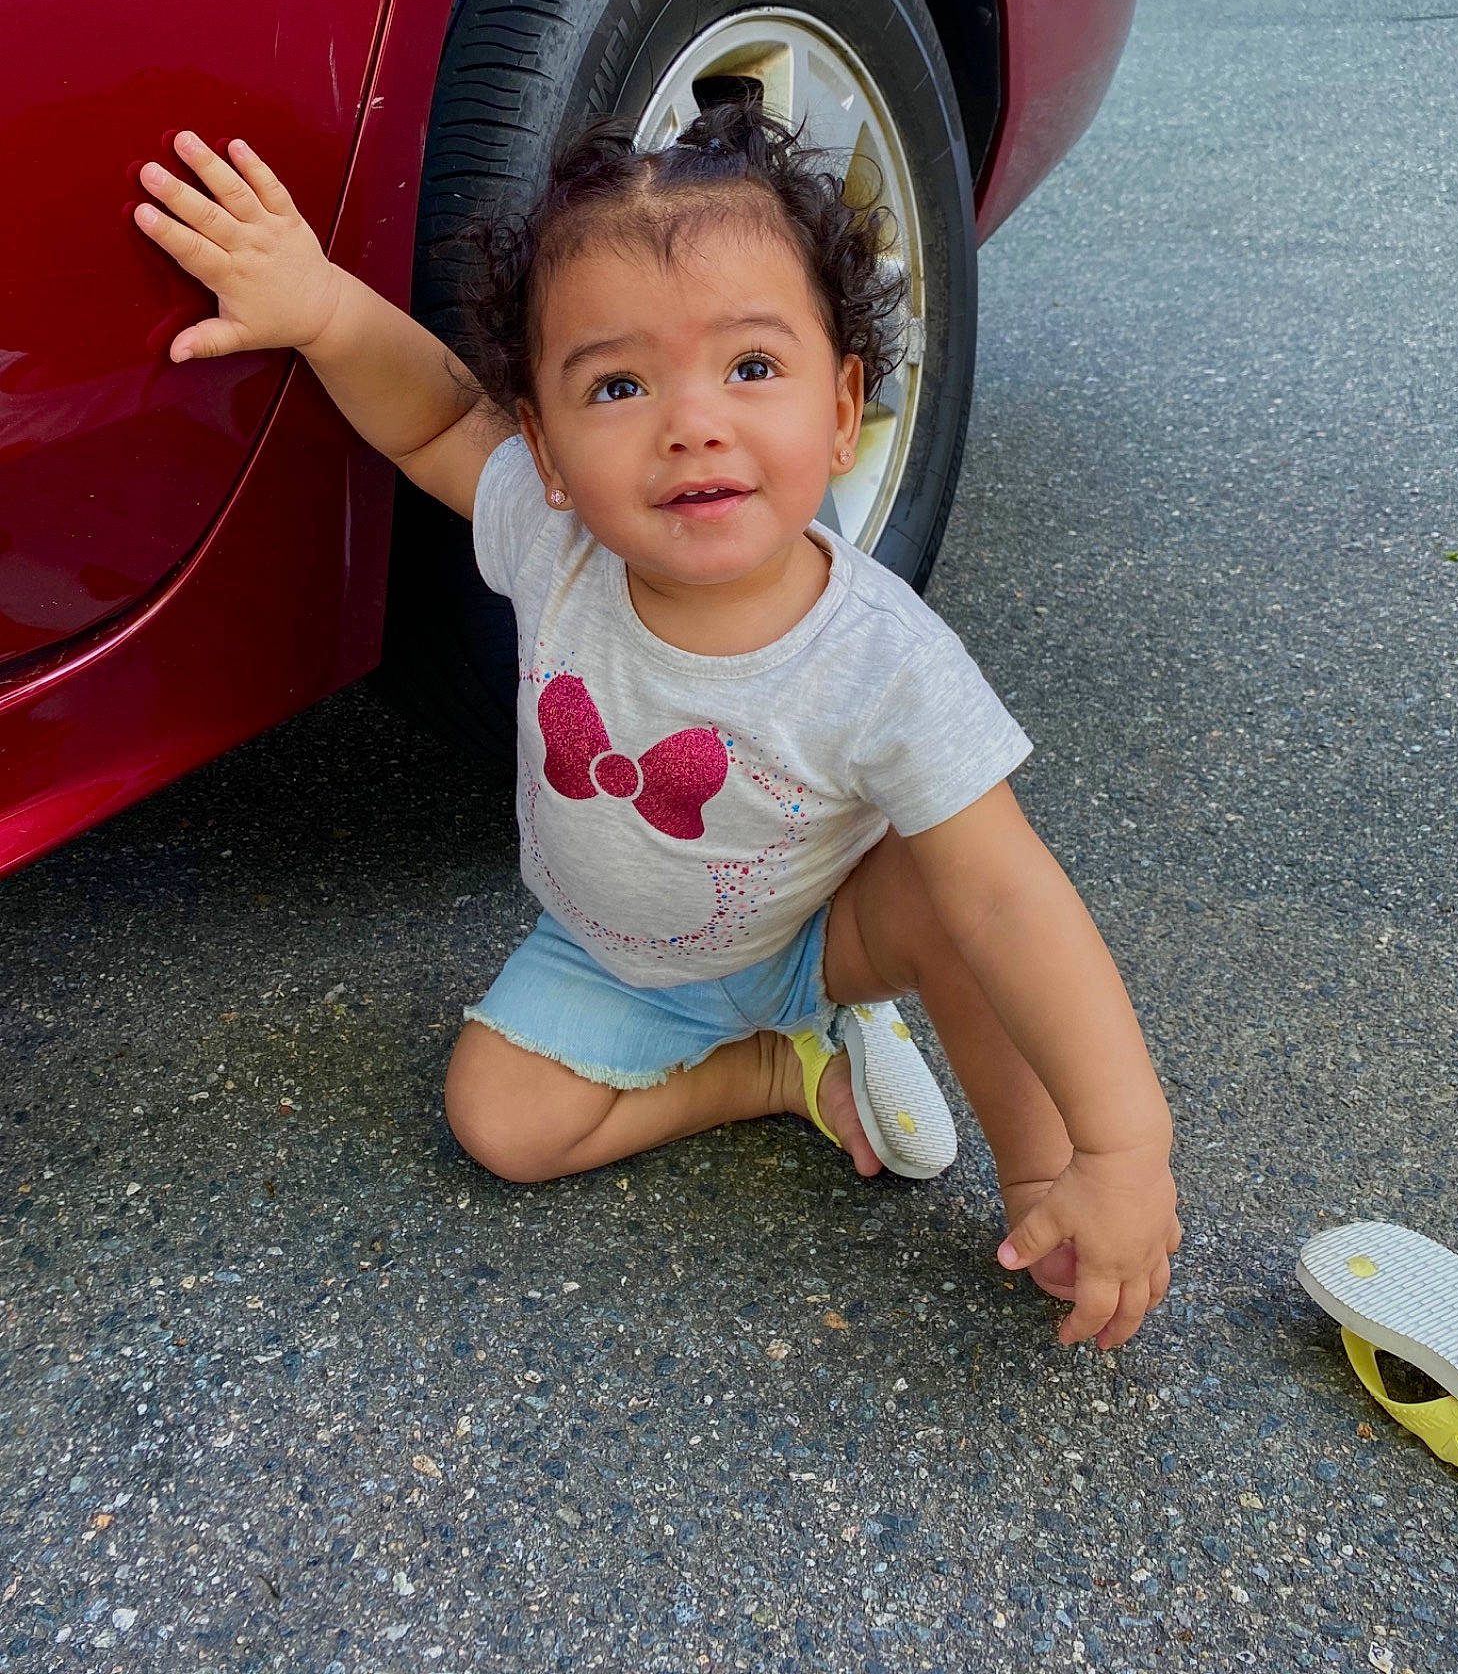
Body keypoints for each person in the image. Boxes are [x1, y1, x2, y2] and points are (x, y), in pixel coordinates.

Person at [132, 102, 1181, 1350]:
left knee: (964, 896)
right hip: (612, 955)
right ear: (551, 450)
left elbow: (1018, 903)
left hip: (818, 935)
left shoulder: (882, 660)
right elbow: (432, 419)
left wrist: (1122, 1148)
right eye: (618, 383)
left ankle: (1038, 1184)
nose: (691, 420)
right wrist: (317, 305)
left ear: (843, 406)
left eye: (749, 366)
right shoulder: (554, 538)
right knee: (498, 1122)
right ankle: (773, 1072)